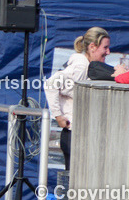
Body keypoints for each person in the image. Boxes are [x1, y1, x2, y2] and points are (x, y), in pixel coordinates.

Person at [44, 27, 110, 170]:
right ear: (92, 47)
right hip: (74, 134)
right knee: (76, 185)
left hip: (80, 134)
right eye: (105, 47)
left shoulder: (88, 66)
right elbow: (51, 84)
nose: (108, 52)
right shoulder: (81, 66)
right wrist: (58, 116)